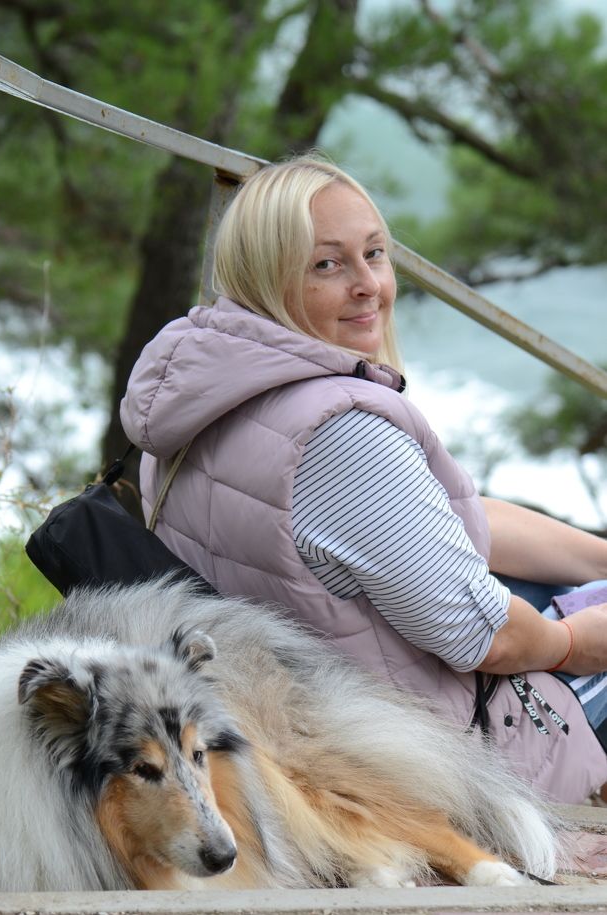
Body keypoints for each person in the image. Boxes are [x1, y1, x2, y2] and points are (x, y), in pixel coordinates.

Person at [121, 154, 607, 805]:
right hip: (440, 758)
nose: (369, 285)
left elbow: (436, 518)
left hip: (309, 715)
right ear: (266, 275)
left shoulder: (201, 394)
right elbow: (484, 636)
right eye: (327, 265)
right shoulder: (340, 435)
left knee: (562, 581)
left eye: (374, 254)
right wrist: (574, 644)